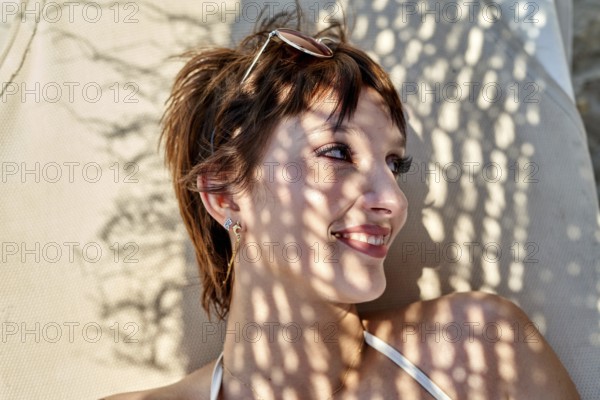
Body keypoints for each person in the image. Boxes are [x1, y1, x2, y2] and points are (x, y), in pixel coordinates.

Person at [103, 9, 580, 400]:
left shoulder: (481, 348)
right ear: (225, 194)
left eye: (395, 164)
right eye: (337, 152)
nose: (392, 200)